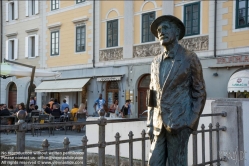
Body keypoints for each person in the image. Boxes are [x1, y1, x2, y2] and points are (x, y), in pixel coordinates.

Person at [147, 15, 206, 166]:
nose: (161, 32)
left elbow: (199, 92)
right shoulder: (155, 62)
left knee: (177, 164)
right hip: (158, 125)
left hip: (179, 123)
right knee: (153, 162)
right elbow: (152, 95)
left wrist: (190, 122)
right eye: (159, 30)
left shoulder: (189, 58)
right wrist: (150, 124)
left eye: (165, 28)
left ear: (177, 31)